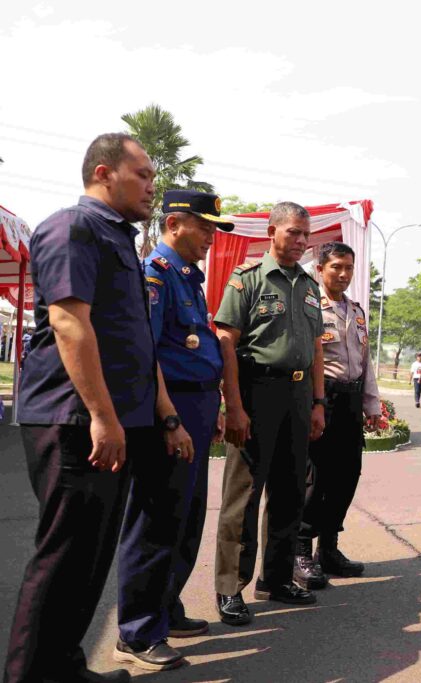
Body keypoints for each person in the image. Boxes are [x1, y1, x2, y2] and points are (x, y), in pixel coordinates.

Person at [6, 132, 161, 683]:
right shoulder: (74, 227)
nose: (152, 185)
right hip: (75, 420)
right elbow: (70, 324)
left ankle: (63, 667)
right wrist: (102, 416)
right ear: (103, 172)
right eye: (142, 174)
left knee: (89, 560)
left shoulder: (116, 236)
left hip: (108, 421)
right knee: (64, 556)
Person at [115, 191, 234, 671]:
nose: (210, 237)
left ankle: (165, 607)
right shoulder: (156, 274)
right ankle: (137, 632)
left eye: (213, 229)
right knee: (156, 521)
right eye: (204, 227)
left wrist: (215, 403)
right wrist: (170, 419)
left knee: (185, 518)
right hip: (172, 410)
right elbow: (146, 354)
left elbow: (196, 347)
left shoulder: (188, 277)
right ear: (174, 224)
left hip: (198, 406)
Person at [214, 202, 327, 626]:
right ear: (271, 232)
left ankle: (276, 579)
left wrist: (317, 403)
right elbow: (226, 342)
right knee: (243, 495)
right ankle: (230, 586)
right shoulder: (248, 279)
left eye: (306, 234)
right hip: (257, 392)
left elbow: (316, 348)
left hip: (299, 395)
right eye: (293, 232)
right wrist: (234, 405)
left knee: (289, 491)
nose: (301, 241)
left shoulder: (309, 285)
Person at [294, 242, 381, 590]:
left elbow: (365, 361)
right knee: (315, 478)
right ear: (320, 269)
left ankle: (328, 549)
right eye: (336, 267)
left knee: (347, 475)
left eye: (349, 268)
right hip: (322, 399)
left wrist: (372, 405)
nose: (343, 274)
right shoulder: (309, 306)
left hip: (351, 400)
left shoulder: (356, 312)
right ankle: (301, 550)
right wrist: (311, 403)